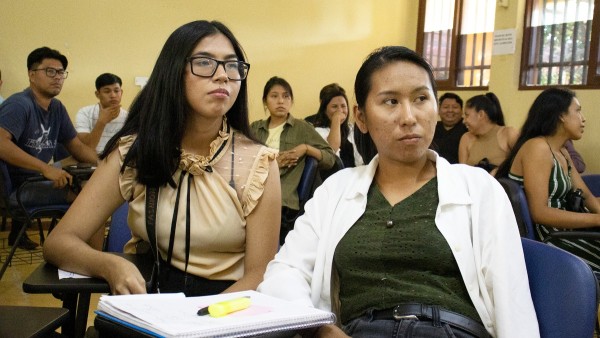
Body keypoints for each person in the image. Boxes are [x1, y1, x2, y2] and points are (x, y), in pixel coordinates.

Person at [258, 46, 539, 337]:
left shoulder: (479, 189)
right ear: (362, 118)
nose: (409, 117)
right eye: (390, 101)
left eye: (421, 99)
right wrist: (320, 329)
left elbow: (512, 301)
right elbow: (284, 273)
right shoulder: (337, 191)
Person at [43, 20, 281, 296]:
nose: (223, 76)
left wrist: (200, 320)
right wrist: (109, 265)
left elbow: (259, 274)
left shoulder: (259, 163)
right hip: (153, 299)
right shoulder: (135, 152)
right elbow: (59, 242)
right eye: (205, 63)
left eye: (232, 65)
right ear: (173, 72)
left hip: (227, 308)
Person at [0, 47, 98, 250]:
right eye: (50, 71)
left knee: (95, 181)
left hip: (38, 180)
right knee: (94, 198)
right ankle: (89, 257)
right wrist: (45, 168)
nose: (57, 77)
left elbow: (77, 147)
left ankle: (68, 247)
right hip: (18, 189)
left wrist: (108, 164)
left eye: (61, 72)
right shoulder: (20, 104)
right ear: (32, 75)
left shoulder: (57, 108)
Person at [496, 87, 600, 273]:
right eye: (577, 111)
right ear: (561, 115)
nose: (583, 118)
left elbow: (588, 197)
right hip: (552, 239)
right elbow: (540, 212)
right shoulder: (538, 148)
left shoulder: (562, 152)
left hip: (568, 233)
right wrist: (596, 219)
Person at [251, 76, 336, 245]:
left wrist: (306, 148)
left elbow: (330, 158)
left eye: (286, 96)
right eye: (274, 96)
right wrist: (272, 163)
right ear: (265, 101)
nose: (281, 101)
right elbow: (241, 162)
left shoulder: (301, 127)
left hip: (282, 201)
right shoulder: (254, 128)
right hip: (252, 195)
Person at [458, 93, 518, 174]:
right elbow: (462, 172)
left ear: (481, 114)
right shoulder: (466, 138)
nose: (464, 121)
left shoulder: (509, 134)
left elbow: (523, 163)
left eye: (467, 115)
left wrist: (499, 170)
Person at [312, 83, 363, 168]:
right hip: (334, 177)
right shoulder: (318, 131)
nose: (340, 110)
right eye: (334, 107)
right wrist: (336, 120)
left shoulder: (353, 129)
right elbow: (331, 151)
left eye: (343, 106)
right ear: (324, 110)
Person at [75, 73, 128, 154]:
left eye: (116, 91)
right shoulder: (84, 113)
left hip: (116, 162)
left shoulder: (128, 117)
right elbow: (85, 148)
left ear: (121, 92)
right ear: (97, 94)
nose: (113, 95)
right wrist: (101, 122)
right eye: (107, 91)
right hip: (89, 160)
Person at [432, 92, 467, 164]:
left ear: (462, 111)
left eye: (455, 107)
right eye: (446, 107)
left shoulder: (468, 128)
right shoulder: (433, 128)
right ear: (438, 110)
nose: (450, 110)